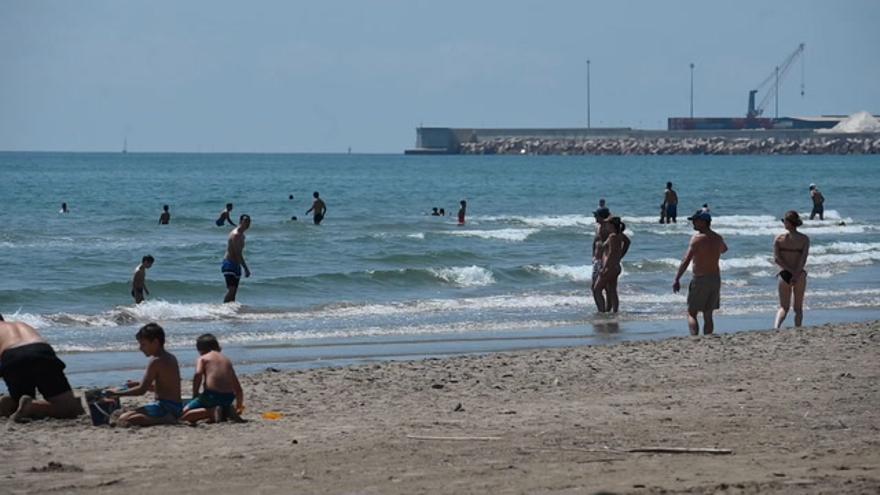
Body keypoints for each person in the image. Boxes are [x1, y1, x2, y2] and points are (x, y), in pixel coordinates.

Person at [0, 315, 84, 422]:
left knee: (23, 395)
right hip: (40, 351)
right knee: (70, 407)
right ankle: (28, 405)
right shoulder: (21, 325)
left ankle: (17, 403)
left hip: (12, 356)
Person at [107, 323, 182, 426]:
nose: (140, 348)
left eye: (143, 344)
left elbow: (142, 390)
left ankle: (163, 419)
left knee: (125, 419)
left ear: (155, 342)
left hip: (165, 407)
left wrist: (116, 394)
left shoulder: (156, 361)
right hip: (176, 406)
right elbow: (165, 387)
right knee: (127, 416)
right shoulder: (170, 357)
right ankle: (163, 417)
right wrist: (137, 383)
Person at [673, 210, 728, 335]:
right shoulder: (718, 237)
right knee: (708, 313)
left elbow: (686, 260)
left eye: (695, 220)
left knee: (692, 312)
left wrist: (677, 279)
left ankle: (695, 337)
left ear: (703, 222)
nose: (693, 223)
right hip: (715, 279)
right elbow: (724, 249)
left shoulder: (697, 239)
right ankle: (707, 337)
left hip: (700, 279)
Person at [181, 334, 244, 424]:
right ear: (218, 347)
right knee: (220, 405)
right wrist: (239, 406)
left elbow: (198, 374)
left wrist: (195, 393)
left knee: (184, 414)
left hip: (212, 396)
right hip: (228, 397)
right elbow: (238, 389)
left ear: (200, 350)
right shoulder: (226, 360)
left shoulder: (203, 358)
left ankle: (210, 412)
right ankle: (226, 410)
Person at [774, 210, 810, 328]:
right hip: (799, 274)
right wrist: (796, 273)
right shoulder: (804, 239)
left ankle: (776, 327)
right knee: (798, 308)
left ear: (789, 223)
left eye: (784, 221)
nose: (783, 223)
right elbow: (803, 260)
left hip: (785, 274)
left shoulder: (779, 239)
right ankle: (798, 329)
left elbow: (777, 259)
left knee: (783, 307)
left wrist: (790, 271)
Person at [593, 216, 630, 313]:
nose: (606, 226)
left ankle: (602, 312)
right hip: (616, 266)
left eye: (607, 224)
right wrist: (620, 255)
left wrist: (604, 268)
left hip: (609, 267)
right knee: (613, 290)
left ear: (612, 225)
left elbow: (610, 253)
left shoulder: (612, 236)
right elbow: (627, 242)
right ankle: (615, 312)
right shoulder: (619, 235)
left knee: (597, 289)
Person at [222, 214, 251, 303]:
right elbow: (238, 253)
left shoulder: (242, 235)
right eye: (245, 221)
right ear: (240, 222)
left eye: (249, 221)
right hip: (229, 264)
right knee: (232, 290)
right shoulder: (236, 235)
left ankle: (230, 312)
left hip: (236, 265)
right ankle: (222, 310)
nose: (247, 223)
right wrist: (246, 268)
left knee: (234, 292)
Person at [591, 206, 612, 311]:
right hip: (597, 260)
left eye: (596, 215)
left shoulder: (607, 228)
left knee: (599, 288)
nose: (594, 216)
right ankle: (603, 310)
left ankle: (604, 311)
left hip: (604, 260)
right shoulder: (598, 226)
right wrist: (593, 255)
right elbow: (595, 241)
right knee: (597, 287)